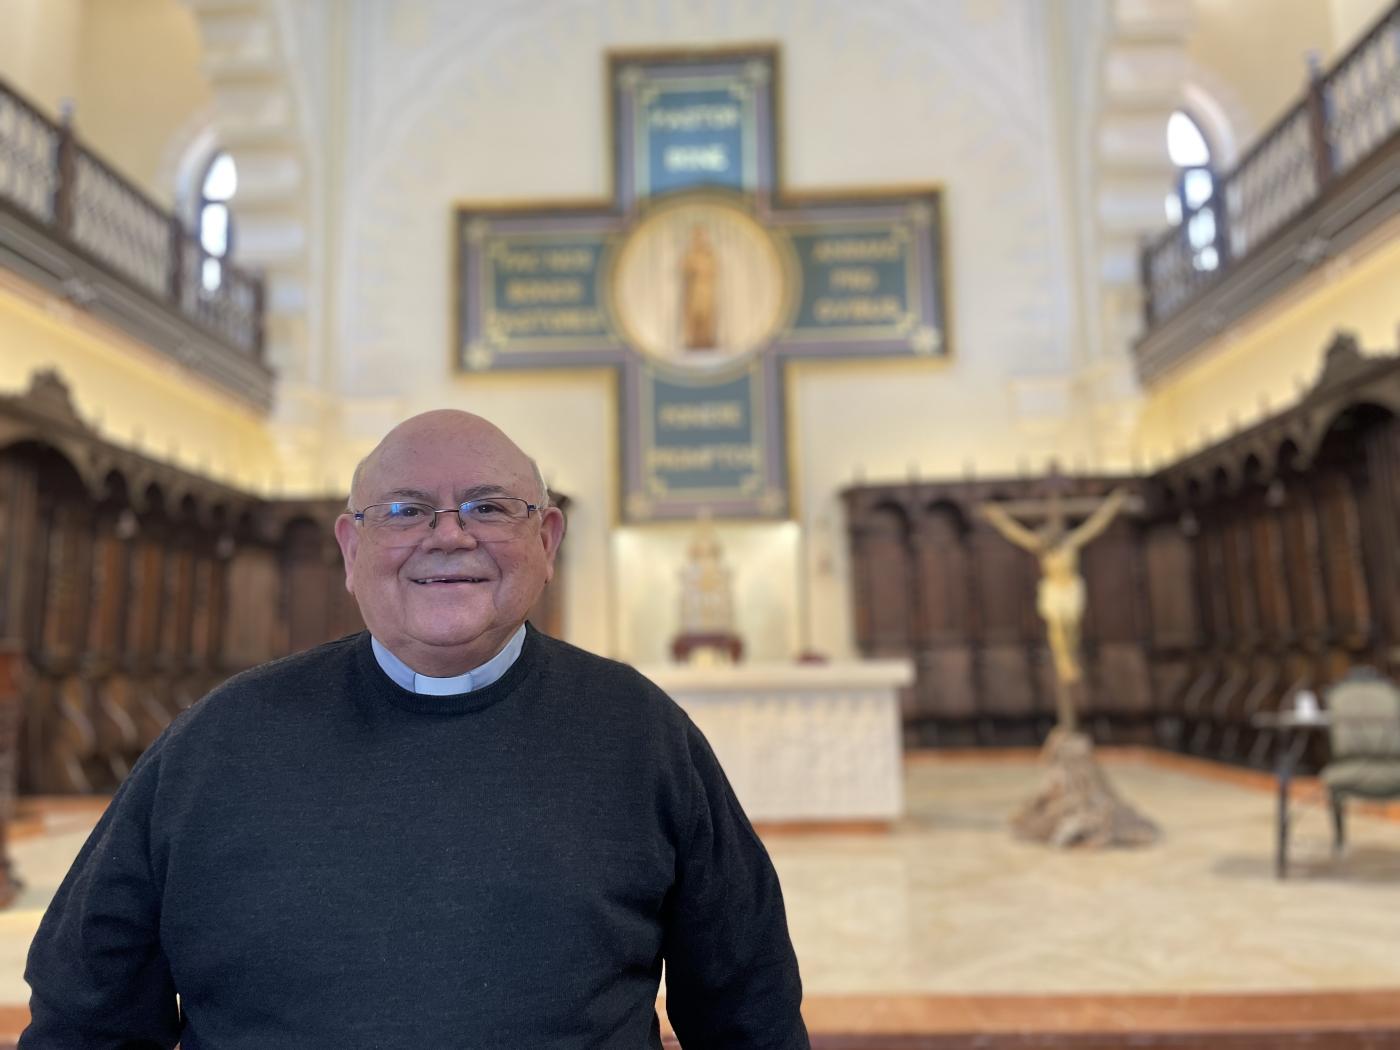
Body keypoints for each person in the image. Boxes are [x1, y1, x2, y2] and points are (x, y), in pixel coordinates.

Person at [21, 409, 809, 1049]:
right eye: (405, 511)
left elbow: (750, 1013)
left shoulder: (642, 735)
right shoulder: (217, 743)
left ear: (548, 541)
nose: (449, 535)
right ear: (351, 546)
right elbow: (86, 1018)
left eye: (490, 507)